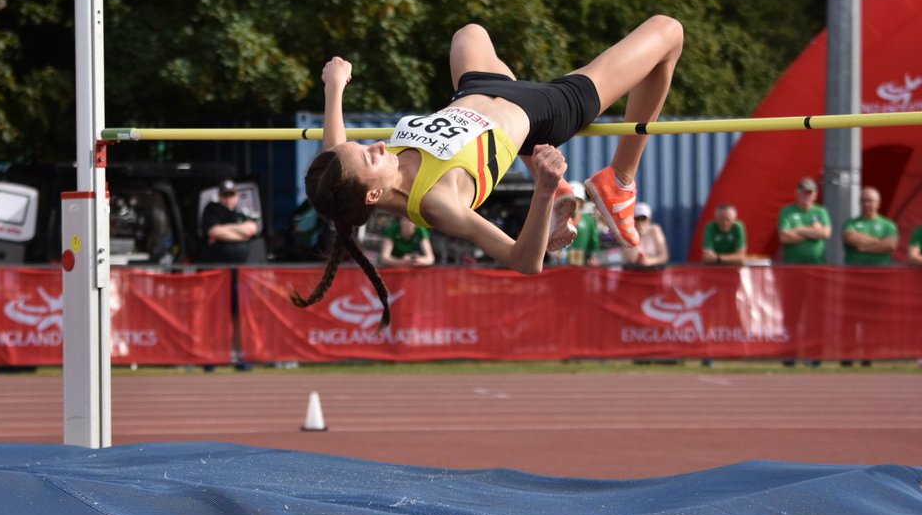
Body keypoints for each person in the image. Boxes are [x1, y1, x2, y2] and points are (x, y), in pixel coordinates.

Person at [292, 17, 685, 325]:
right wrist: (544, 191)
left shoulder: (347, 177)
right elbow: (524, 262)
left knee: (470, 34)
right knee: (669, 33)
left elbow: (334, 151)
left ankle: (555, 178)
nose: (376, 146)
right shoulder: (438, 202)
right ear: (372, 195)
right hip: (544, 109)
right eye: (369, 157)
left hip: (477, 90)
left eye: (364, 148)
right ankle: (619, 181)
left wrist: (334, 86)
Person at [197, 180, 260, 264]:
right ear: (219, 196)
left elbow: (251, 229)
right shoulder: (212, 209)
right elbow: (215, 232)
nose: (228, 199)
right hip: (218, 266)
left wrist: (224, 229)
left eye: (231, 195)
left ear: (236, 196)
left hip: (240, 266)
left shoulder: (241, 212)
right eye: (225, 195)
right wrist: (243, 237)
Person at [777, 177, 831, 264]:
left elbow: (825, 233)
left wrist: (798, 230)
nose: (806, 196)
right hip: (793, 266)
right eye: (803, 192)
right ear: (797, 193)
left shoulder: (821, 211)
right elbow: (784, 237)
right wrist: (813, 233)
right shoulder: (787, 212)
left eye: (809, 193)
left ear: (815, 195)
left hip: (817, 265)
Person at [841, 186, 898, 266]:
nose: (866, 204)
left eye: (870, 201)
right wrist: (880, 242)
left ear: (878, 204)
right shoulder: (851, 223)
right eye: (863, 200)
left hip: (881, 271)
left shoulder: (888, 225)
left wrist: (865, 248)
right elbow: (850, 239)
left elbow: (890, 245)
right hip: (855, 271)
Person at [565, 181, 602, 266]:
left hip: (583, 267)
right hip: (560, 267)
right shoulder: (558, 220)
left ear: (581, 202)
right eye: (570, 200)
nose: (573, 204)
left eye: (576, 200)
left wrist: (593, 258)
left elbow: (594, 245)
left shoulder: (589, 220)